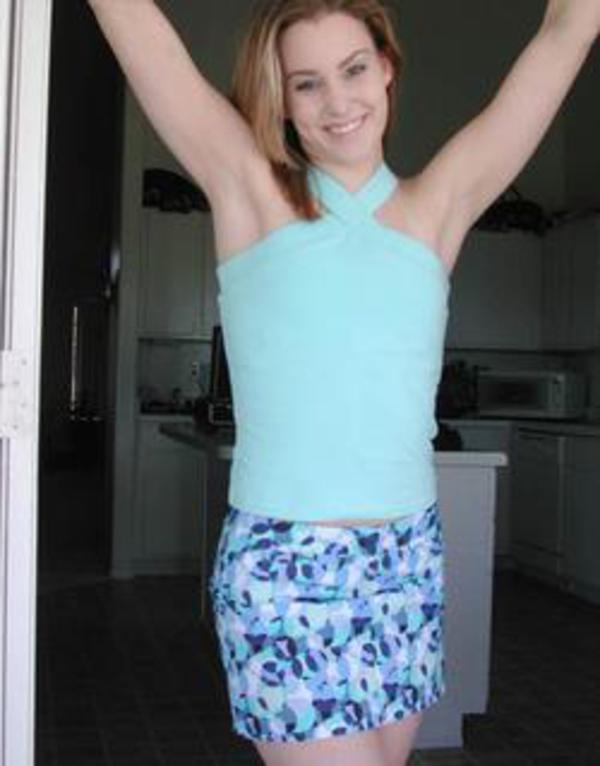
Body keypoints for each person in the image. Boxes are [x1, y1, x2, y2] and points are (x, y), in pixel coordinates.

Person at [88, 1, 600, 764]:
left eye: (354, 69)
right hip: (287, 564)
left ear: (386, 69)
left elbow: (568, 29)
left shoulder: (435, 209)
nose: (338, 102)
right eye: (307, 83)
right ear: (282, 101)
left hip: (407, 560)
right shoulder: (250, 191)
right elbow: (141, 35)